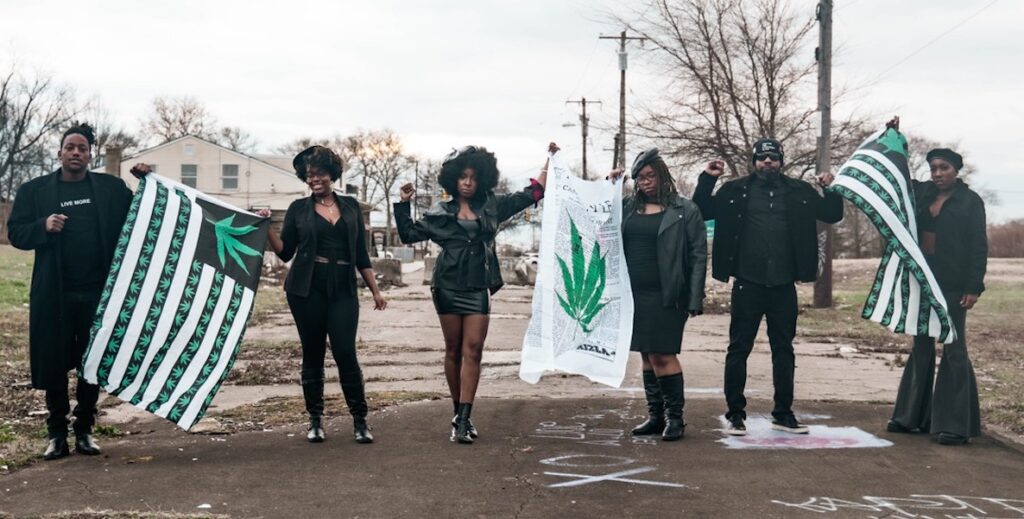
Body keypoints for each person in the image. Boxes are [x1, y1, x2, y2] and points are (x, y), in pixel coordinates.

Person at [7, 122, 147, 460]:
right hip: (54, 294)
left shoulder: (111, 190)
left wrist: (146, 182)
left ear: (90, 154)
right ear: (59, 152)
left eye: (82, 148)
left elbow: (142, 217)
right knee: (53, 363)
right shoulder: (34, 191)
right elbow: (16, 233)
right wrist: (43, 226)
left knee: (92, 364)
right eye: (70, 147)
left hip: (99, 295)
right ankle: (57, 434)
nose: (75, 152)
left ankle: (84, 429)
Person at [394, 145, 546, 444]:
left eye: (473, 178)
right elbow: (409, 234)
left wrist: (549, 160)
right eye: (462, 177)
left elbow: (533, 194)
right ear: (453, 180)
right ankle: (457, 412)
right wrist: (403, 203)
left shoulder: (493, 205)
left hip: (478, 286)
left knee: (473, 349)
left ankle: (464, 419)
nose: (467, 182)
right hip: (447, 285)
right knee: (452, 350)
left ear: (482, 180)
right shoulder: (441, 212)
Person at [693, 138, 843, 436]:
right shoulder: (734, 190)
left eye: (773, 157)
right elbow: (701, 208)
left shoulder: (799, 191)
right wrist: (707, 177)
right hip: (747, 283)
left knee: (783, 349)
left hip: (783, 284)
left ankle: (783, 413)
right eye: (762, 158)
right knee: (739, 348)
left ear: (781, 160)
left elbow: (832, 214)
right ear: (754, 161)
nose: (767, 162)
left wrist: (831, 187)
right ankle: (735, 413)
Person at [261, 145, 387, 444]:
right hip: (307, 289)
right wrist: (266, 228)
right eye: (308, 175)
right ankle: (315, 420)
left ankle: (360, 420)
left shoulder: (352, 207)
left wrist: (375, 291)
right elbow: (285, 252)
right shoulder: (298, 210)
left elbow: (361, 254)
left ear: (332, 174)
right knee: (313, 353)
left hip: (343, 286)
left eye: (318, 173)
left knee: (345, 352)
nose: (313, 179)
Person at [887, 129, 986, 445]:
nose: (938, 173)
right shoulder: (923, 193)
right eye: (933, 168)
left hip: (955, 284)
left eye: (944, 168)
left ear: (956, 170)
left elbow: (978, 246)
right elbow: (898, 173)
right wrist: (894, 137)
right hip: (923, 280)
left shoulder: (970, 202)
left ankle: (956, 425)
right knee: (921, 345)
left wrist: (973, 286)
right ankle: (911, 417)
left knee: (954, 348)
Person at [608, 149, 707, 441]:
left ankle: (675, 418)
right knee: (646, 356)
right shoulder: (626, 206)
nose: (645, 182)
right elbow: (598, 217)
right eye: (639, 178)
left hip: (668, 294)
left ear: (663, 175)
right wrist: (610, 183)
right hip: (633, 294)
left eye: (650, 176)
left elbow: (698, 254)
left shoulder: (685, 210)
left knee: (663, 354)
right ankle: (656, 416)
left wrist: (694, 298)